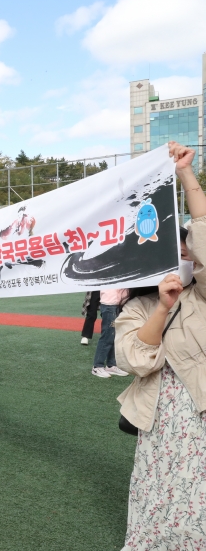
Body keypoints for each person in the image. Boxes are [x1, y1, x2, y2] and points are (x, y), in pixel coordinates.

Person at [115, 141, 206, 549]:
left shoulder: (202, 295)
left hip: (199, 410)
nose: (184, 254)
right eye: (176, 250)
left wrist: (186, 174)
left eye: (188, 248)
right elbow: (136, 358)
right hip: (160, 417)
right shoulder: (138, 306)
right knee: (159, 490)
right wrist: (162, 308)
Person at [90, 288, 129, 378]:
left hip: (119, 302)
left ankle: (111, 365)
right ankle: (97, 366)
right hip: (110, 302)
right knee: (108, 335)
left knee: (115, 335)